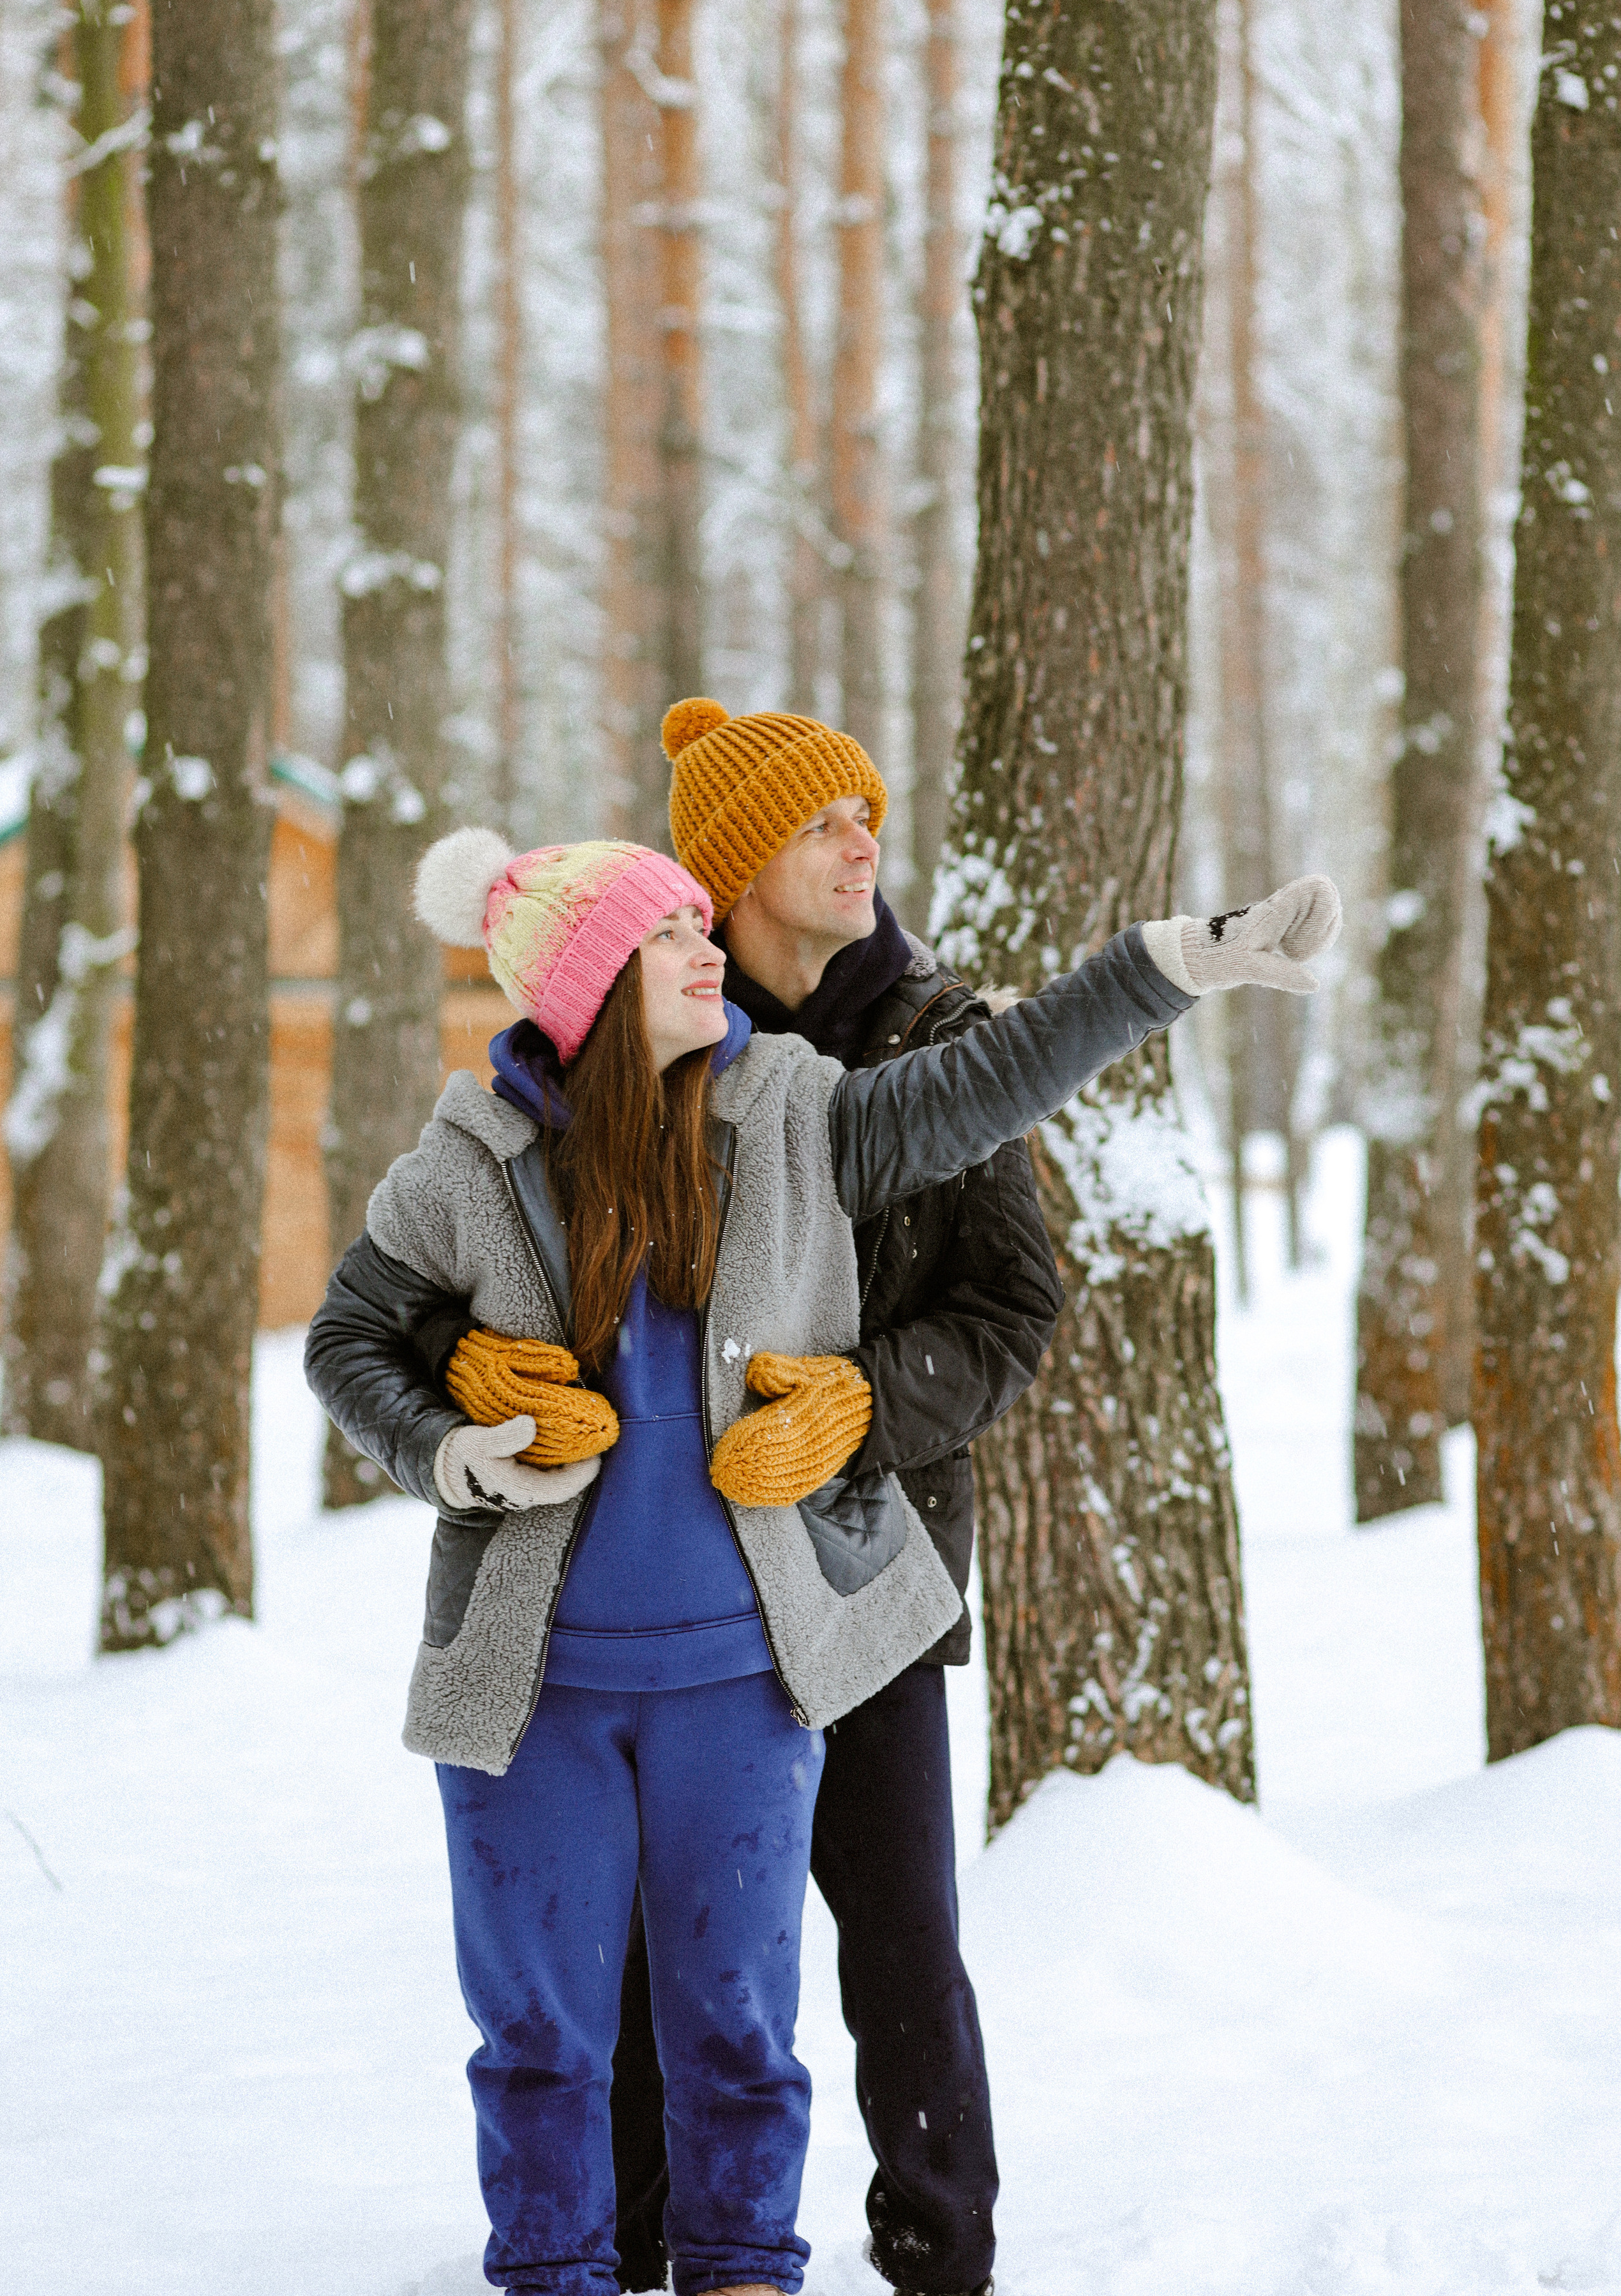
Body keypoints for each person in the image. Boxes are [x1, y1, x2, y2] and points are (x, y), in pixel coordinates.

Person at [303, 826, 1338, 2296]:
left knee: (736, 2025)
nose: (700, 946)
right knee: (541, 2036)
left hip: (742, 1675)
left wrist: (1174, 963)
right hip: (528, 1695)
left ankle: (741, 2270)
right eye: (665, 935)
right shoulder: (468, 1161)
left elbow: (993, 1078)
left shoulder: (797, 1115)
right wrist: (445, 1444)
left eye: (693, 923)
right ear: (592, 986)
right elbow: (348, 1339)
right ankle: (551, 2272)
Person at [609, 699, 1064, 2296]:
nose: (861, 838)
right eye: (819, 820)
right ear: (731, 866)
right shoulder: (653, 1040)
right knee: (657, 1949)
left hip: (866, 1571)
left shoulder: (946, 1044)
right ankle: (639, 2241)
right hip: (677, 1573)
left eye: (865, 810)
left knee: (899, 1948)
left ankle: (941, 2261)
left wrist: (866, 1401)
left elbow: (1012, 1311)